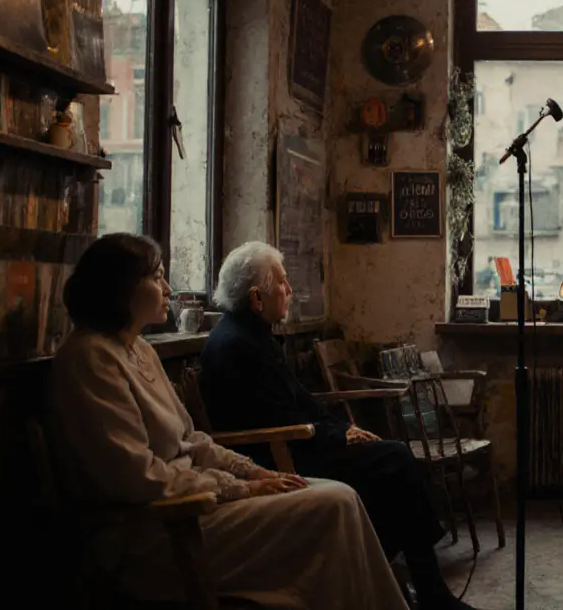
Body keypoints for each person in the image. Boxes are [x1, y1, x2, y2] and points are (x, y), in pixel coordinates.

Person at [46, 233, 407, 609]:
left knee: (342, 497)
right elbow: (137, 478)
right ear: (120, 286)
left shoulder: (140, 349)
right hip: (159, 529)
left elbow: (192, 438)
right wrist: (237, 489)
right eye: (156, 277)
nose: (168, 288)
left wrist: (252, 473)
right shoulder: (90, 359)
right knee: (332, 505)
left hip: (197, 501)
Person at [198, 241, 477, 610]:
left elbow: (301, 402)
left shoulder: (253, 335)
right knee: (395, 461)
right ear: (256, 298)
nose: (289, 290)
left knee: (391, 462)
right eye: (282, 283)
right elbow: (278, 420)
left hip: (297, 442)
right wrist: (335, 434)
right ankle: (424, 588)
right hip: (275, 459)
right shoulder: (238, 346)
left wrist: (341, 428)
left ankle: (404, 579)